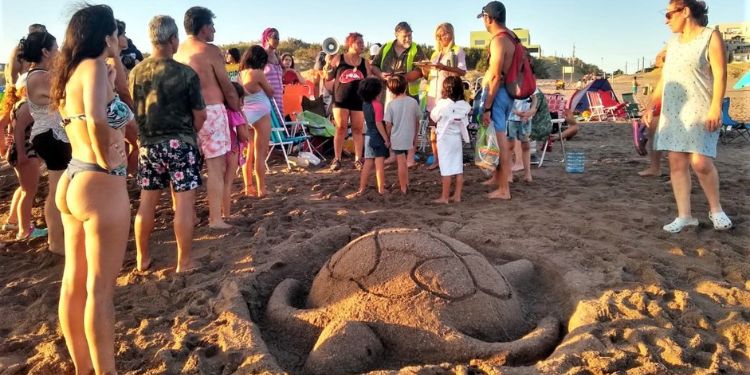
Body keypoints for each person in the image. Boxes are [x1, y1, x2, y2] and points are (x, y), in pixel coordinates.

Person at [51, 5, 132, 373]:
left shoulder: (70, 73)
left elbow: (101, 110)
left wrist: (115, 58)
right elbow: (100, 118)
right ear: (105, 35)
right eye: (114, 33)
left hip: (72, 179)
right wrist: (106, 159)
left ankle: (83, 368)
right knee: (100, 292)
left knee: (74, 282)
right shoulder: (96, 67)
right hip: (98, 184)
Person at [644, 0, 732, 233]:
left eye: (669, 14)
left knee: (701, 162)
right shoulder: (672, 44)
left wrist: (716, 108)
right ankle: (685, 216)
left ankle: (716, 210)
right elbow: (665, 78)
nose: (666, 20)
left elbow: (721, 74)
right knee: (676, 162)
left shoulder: (710, 37)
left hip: (701, 107)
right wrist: (650, 105)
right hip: (674, 110)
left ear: (685, 11)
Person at [131, 15, 207, 273]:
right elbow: (200, 115)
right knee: (184, 205)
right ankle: (183, 262)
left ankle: (142, 259)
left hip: (148, 145)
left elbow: (134, 110)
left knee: (147, 204)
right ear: (173, 39)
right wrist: (187, 135)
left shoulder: (135, 73)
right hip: (180, 143)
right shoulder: (185, 73)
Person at [175, 6, 239, 229]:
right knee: (215, 167)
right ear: (203, 28)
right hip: (211, 110)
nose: (214, 29)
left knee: (189, 168)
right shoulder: (210, 50)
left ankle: (189, 216)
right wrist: (237, 108)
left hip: (185, 114)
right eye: (211, 25)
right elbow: (227, 86)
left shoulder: (178, 51)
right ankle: (215, 218)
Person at [24, 31, 70, 254]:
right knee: (57, 191)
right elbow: (65, 95)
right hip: (52, 135)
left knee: (57, 189)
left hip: (49, 135)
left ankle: (57, 240)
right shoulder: (41, 75)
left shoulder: (35, 74)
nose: (59, 51)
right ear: (45, 51)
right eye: (56, 47)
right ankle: (57, 242)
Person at [371, 22, 427, 167]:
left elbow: (421, 69)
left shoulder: (416, 48)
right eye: (405, 36)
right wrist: (381, 75)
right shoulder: (386, 47)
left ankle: (410, 157)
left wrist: (402, 79)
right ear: (396, 35)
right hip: (388, 93)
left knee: (412, 125)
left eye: (410, 35)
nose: (408, 39)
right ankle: (393, 154)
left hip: (409, 94)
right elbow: (374, 66)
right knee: (389, 123)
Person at [478, 1, 516, 200]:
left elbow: (494, 77)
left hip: (499, 95)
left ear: (489, 18)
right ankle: (498, 180)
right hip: (508, 93)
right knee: (499, 139)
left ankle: (504, 190)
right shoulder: (512, 36)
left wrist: (487, 106)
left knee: (500, 143)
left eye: (484, 17)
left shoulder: (498, 40)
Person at [422, 23, 467, 171]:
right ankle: (436, 159)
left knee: (448, 132)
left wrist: (444, 67)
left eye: (445, 33)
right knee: (433, 131)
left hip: (448, 98)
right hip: (432, 97)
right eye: (439, 35)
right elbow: (429, 75)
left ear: (452, 33)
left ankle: (451, 161)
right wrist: (424, 69)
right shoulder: (435, 53)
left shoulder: (457, 50)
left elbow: (462, 71)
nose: (443, 37)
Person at [6, 81, 47, 240]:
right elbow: (19, 131)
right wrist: (22, 154)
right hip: (27, 153)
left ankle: (13, 221)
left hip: (22, 152)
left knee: (24, 188)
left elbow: (12, 130)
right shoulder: (27, 106)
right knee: (29, 192)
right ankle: (24, 231)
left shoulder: (18, 105)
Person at [324, 32, 370, 171]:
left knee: (357, 129)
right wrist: (327, 64)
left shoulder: (364, 62)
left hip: (358, 100)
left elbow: (368, 79)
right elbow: (328, 77)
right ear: (351, 43)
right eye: (359, 43)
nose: (362, 45)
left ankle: (358, 159)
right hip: (340, 99)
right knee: (340, 128)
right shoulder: (340, 58)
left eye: (363, 43)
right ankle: (337, 158)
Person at [1, 24, 47, 156]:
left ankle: (14, 150)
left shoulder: (28, 49)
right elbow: (11, 75)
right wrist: (14, 92)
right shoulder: (21, 49)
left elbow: (11, 75)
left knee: (17, 125)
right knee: (13, 125)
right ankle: (12, 151)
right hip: (22, 89)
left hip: (27, 89)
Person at [239, 45, 273, 198]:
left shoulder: (240, 75)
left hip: (246, 115)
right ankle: (262, 189)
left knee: (248, 154)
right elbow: (270, 92)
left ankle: (248, 187)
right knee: (260, 154)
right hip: (261, 114)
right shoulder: (258, 73)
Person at [430, 76, 470, 204]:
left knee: (446, 168)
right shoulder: (464, 105)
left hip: (444, 138)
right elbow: (466, 122)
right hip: (457, 138)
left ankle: (445, 197)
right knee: (458, 167)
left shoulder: (443, 104)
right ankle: (457, 196)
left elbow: (434, 116)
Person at [348, 77, 388, 197]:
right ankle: (381, 188)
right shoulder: (378, 105)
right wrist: (386, 138)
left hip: (368, 136)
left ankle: (362, 188)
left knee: (367, 164)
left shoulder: (365, 104)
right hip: (377, 136)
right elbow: (379, 123)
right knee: (379, 164)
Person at [384, 75, 419, 194]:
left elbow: (388, 124)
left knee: (401, 163)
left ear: (390, 90)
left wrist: (387, 137)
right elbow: (417, 120)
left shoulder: (391, 105)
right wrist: (415, 136)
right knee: (404, 160)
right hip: (409, 135)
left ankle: (403, 187)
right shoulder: (413, 102)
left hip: (397, 137)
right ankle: (406, 183)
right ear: (405, 86)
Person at [639, 48, 667, 177]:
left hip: (674, 105)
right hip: (661, 104)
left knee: (676, 143)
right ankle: (655, 168)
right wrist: (649, 108)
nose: (657, 58)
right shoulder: (667, 70)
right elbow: (659, 89)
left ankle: (678, 174)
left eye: (660, 56)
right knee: (653, 134)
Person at [223, 81, 248, 214]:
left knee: (218, 181)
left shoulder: (221, 111)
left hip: (218, 150)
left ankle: (216, 212)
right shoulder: (234, 113)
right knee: (227, 183)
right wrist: (244, 120)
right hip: (232, 150)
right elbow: (243, 136)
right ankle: (225, 213)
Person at [506, 91, 537, 183]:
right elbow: (506, 100)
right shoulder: (510, 82)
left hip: (526, 119)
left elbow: (535, 99)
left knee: (526, 145)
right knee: (509, 146)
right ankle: (509, 174)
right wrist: (515, 112)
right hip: (511, 118)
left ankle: (527, 173)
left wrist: (531, 111)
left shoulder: (530, 83)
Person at [261, 28, 284, 118]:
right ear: (267, 38)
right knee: (270, 120)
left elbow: (284, 69)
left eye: (278, 38)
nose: (277, 40)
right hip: (267, 94)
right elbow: (256, 72)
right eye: (275, 37)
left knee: (279, 121)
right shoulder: (262, 54)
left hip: (278, 94)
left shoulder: (276, 55)